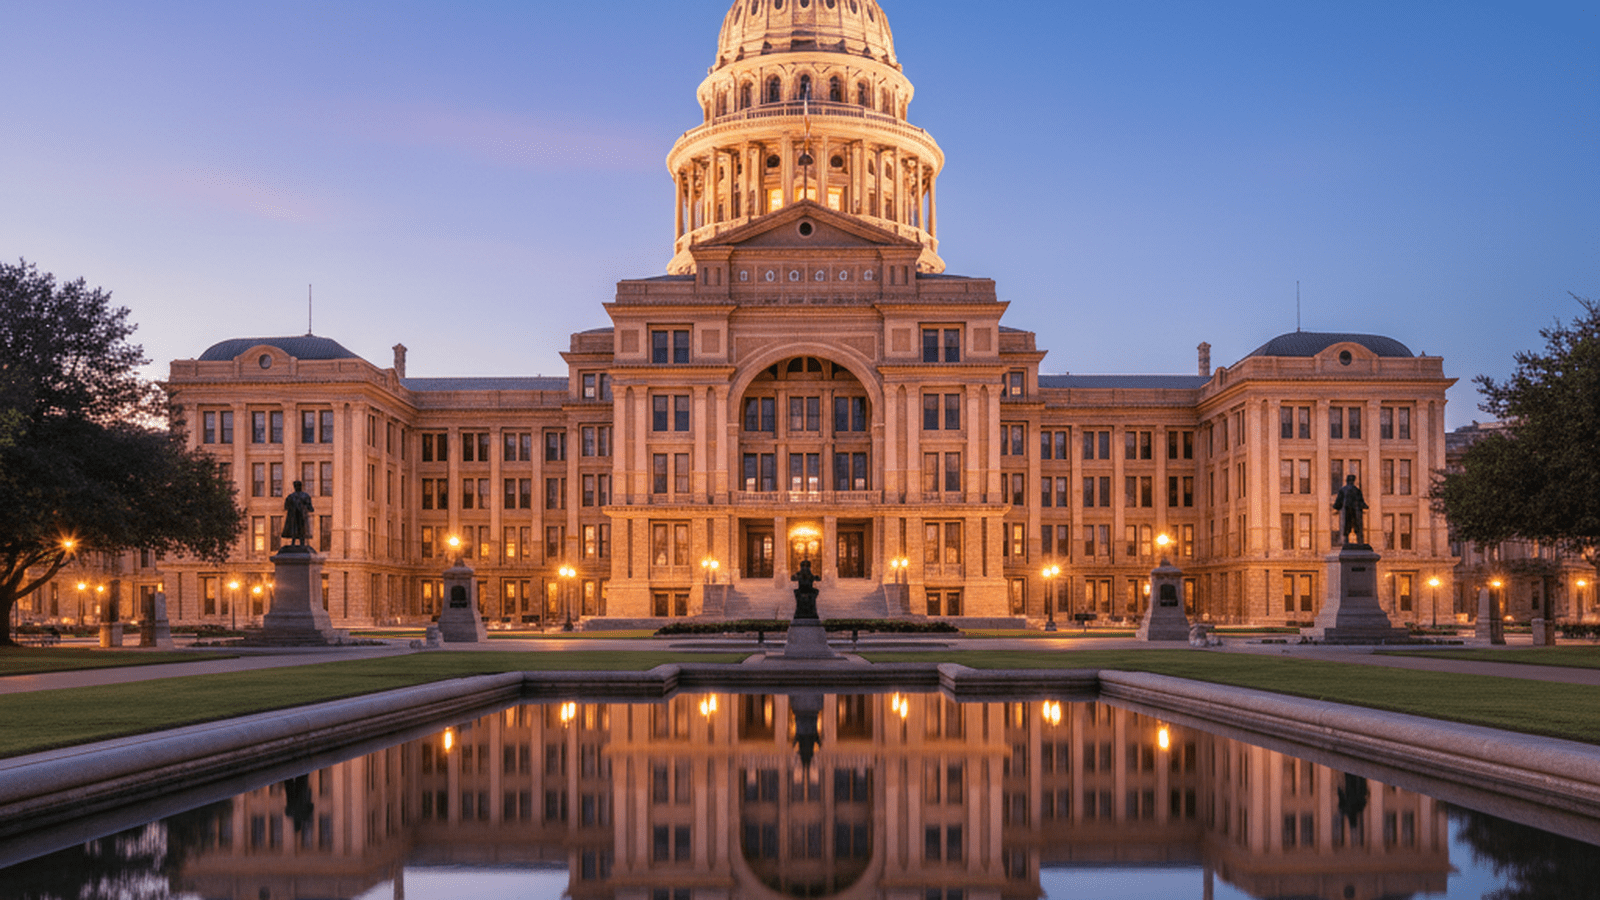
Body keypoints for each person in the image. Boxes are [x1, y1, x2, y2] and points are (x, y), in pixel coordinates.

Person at [1333, 475, 1367, 546]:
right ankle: (1359, 543)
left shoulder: (1344, 489)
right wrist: (1364, 506)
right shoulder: (1356, 490)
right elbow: (1361, 501)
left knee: (1348, 527)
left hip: (1348, 511)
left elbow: (1339, 501)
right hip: (1354, 511)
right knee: (1356, 527)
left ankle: (1347, 543)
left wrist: (1336, 507)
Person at [282, 480, 314, 547]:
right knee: (297, 529)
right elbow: (310, 508)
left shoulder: (292, 496)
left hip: (298, 516)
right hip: (298, 516)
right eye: (296, 486)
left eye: (297, 486)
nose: (297, 487)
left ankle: (296, 543)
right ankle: (297, 543)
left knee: (297, 529)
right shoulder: (303, 496)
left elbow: (286, 507)